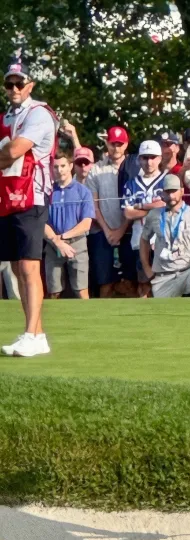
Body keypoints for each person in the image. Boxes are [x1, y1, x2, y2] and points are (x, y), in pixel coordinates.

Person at [0, 59, 58, 358]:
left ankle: (31, 334)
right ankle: (37, 334)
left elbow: (13, 151)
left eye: (19, 83)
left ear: (30, 85)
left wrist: (5, 153)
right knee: (15, 266)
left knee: (28, 265)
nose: (14, 88)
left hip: (32, 194)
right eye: (9, 83)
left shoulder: (39, 114)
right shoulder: (8, 116)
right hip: (9, 195)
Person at [139, 174, 190, 298]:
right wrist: (147, 268)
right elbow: (144, 240)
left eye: (174, 191)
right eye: (167, 191)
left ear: (182, 191)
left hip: (189, 271)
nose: (171, 196)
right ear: (162, 193)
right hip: (163, 277)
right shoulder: (154, 215)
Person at [85, 125, 137, 298]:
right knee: (105, 285)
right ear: (107, 143)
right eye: (113, 143)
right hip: (103, 233)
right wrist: (108, 232)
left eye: (120, 144)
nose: (116, 148)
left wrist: (121, 230)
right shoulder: (96, 169)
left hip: (129, 232)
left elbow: (136, 204)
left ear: (126, 144)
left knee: (131, 284)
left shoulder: (135, 167)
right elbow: (94, 206)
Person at [43, 152, 94, 299]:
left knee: (81, 290)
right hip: (53, 245)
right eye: (56, 167)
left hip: (77, 244)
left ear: (71, 166)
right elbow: (41, 222)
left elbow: (86, 224)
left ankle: (86, 315)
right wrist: (57, 241)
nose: (59, 170)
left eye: (63, 166)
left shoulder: (83, 192)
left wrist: (63, 237)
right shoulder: (47, 192)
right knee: (54, 292)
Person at [122, 139, 167, 298]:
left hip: (164, 240)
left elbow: (168, 207)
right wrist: (154, 208)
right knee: (144, 285)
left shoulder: (167, 180)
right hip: (140, 240)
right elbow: (128, 213)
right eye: (145, 157)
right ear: (139, 159)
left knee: (165, 284)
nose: (149, 162)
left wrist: (140, 206)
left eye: (153, 157)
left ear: (160, 158)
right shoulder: (130, 184)